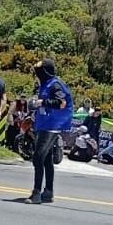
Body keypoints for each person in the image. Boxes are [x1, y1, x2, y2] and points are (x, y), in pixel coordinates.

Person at [28, 59, 72, 204]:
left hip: (52, 125)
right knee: (46, 159)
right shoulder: (45, 85)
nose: (37, 74)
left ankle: (36, 193)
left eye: (39, 71)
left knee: (38, 157)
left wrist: (43, 102)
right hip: (44, 123)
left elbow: (62, 103)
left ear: (46, 72)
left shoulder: (55, 84)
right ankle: (48, 191)